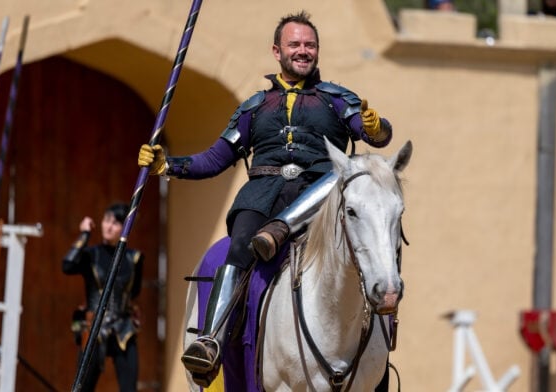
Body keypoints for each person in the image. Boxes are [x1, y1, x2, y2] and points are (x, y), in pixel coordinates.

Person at [138, 10, 393, 387]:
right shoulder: (254, 107)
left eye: (310, 45)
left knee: (366, 237)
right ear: (277, 51)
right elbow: (214, 159)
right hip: (261, 197)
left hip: (319, 201)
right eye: (295, 44)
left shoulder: (338, 100)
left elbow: (375, 136)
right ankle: (211, 340)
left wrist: (376, 127)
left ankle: (375, 350)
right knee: (238, 247)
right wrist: (167, 166)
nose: (303, 51)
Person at [62, 203, 143, 392]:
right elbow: (67, 266)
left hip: (123, 328)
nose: (108, 226)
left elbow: (135, 291)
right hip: (94, 329)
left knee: (129, 389)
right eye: (106, 220)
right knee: (82, 387)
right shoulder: (92, 255)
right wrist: (84, 235)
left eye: (115, 223)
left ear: (125, 227)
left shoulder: (134, 258)